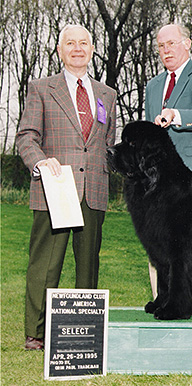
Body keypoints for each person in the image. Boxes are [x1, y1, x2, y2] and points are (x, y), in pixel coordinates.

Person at [16, 25, 117, 350]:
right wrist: (40, 162)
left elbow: (106, 142)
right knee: (46, 262)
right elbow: (26, 135)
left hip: (95, 187)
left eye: (83, 43)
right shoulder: (42, 88)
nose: (77, 48)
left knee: (88, 263)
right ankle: (37, 332)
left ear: (92, 49)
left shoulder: (107, 94)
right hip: (55, 187)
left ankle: (84, 327)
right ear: (60, 50)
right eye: (70, 43)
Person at [145, 24, 192, 298]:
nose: (166, 50)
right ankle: (163, 301)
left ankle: (188, 302)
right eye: (161, 45)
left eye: (172, 43)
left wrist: (176, 115)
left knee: (189, 249)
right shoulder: (153, 86)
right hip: (160, 187)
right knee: (159, 247)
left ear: (187, 44)